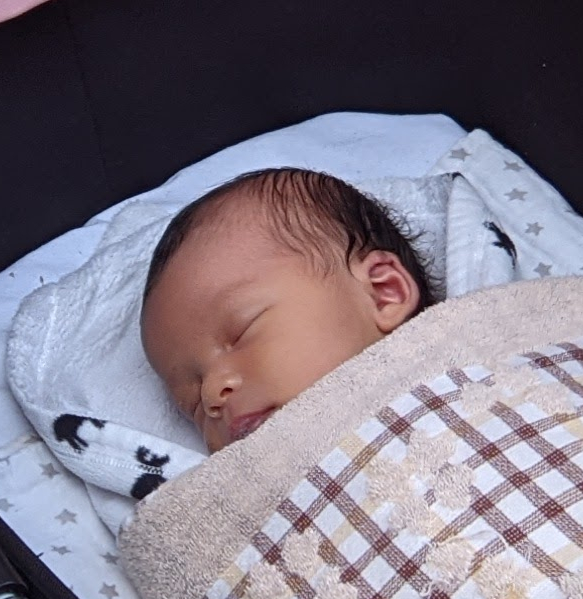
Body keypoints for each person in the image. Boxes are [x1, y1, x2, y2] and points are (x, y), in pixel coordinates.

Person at [140, 168, 435, 450]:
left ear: (384, 293)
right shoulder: (238, 488)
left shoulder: (470, 345)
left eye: (243, 331)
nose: (212, 394)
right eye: (192, 405)